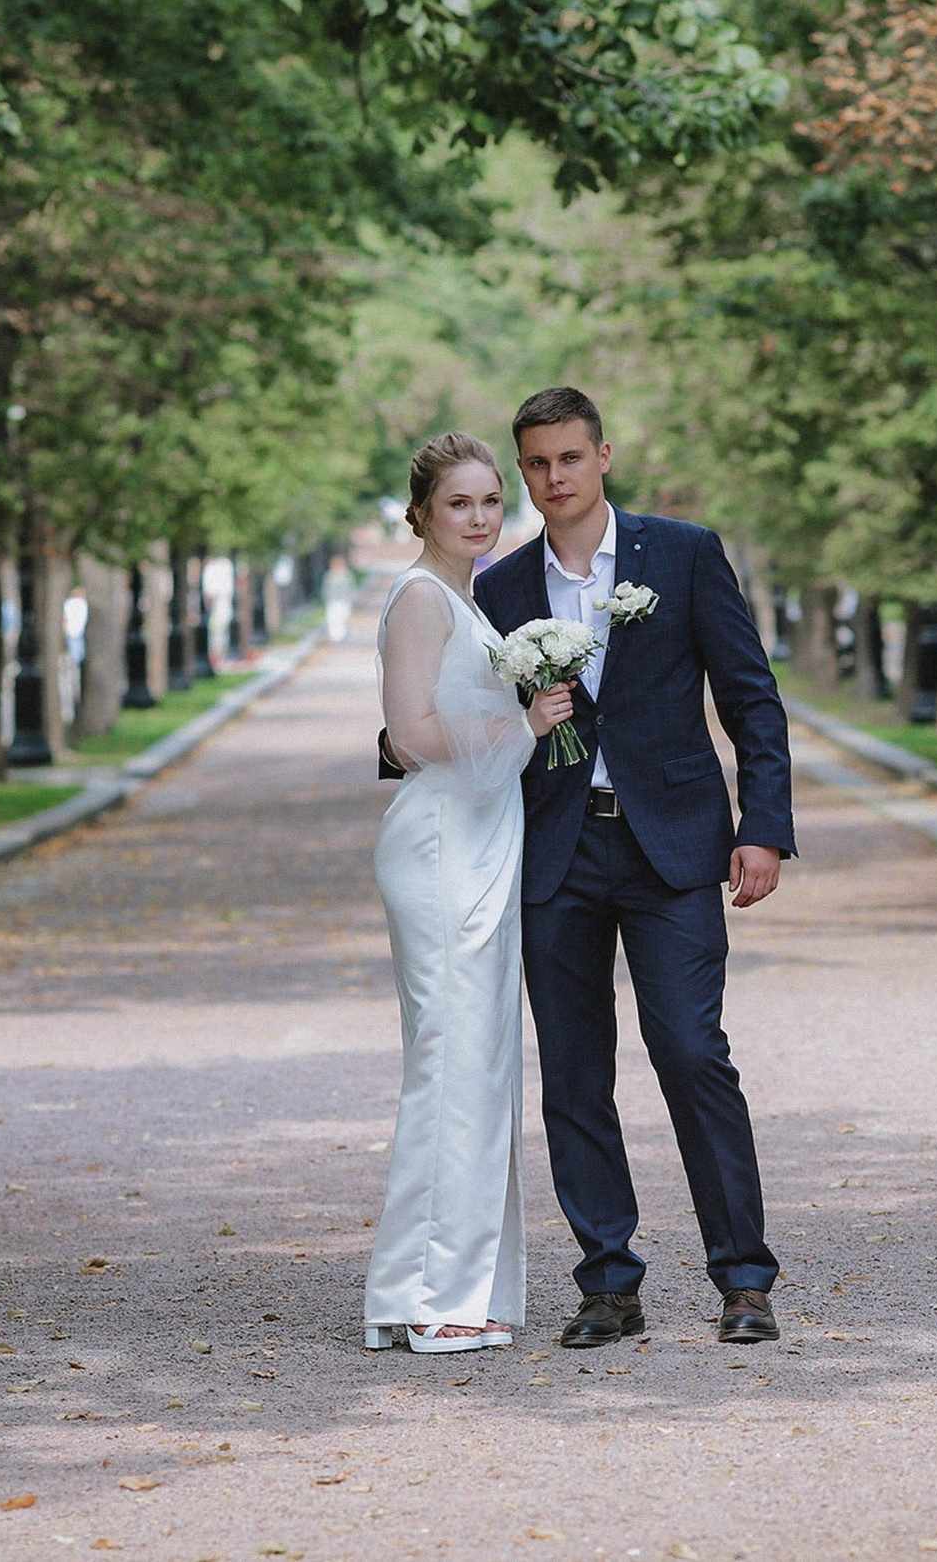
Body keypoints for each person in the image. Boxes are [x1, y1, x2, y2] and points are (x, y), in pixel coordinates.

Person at [472, 386, 795, 1350]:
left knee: (693, 1052)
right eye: (534, 463)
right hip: (555, 854)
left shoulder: (685, 554)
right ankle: (608, 1281)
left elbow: (752, 699)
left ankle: (743, 1278)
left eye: (569, 458)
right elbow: (468, 725)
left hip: (674, 847)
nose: (552, 479)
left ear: (603, 455)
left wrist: (763, 826)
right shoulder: (501, 590)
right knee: (573, 1073)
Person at [365, 432, 577, 1354]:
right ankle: (422, 1295)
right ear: (422, 512)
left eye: (493, 500)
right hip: (443, 844)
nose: (482, 517)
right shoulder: (420, 599)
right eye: (462, 503)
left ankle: (461, 1283)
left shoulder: (466, 597)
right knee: (452, 1066)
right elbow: (407, 735)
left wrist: (516, 723)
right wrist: (522, 722)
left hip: (486, 841)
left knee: (483, 1066)